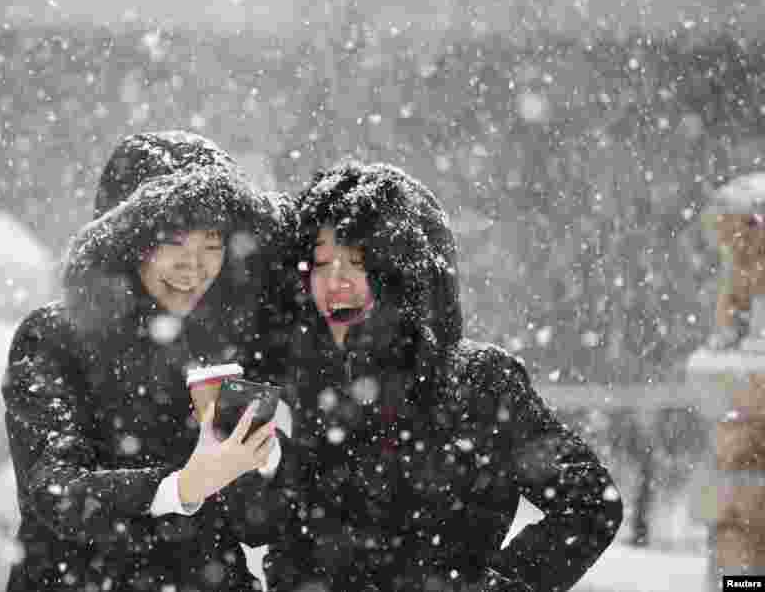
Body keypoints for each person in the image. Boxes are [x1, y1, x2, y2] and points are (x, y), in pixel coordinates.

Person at [260, 161, 623, 592]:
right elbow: (274, 534)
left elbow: (589, 504)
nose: (335, 280)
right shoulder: (300, 386)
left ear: (402, 271)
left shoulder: (479, 381)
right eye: (320, 263)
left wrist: (498, 586)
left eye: (357, 261)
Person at [2, 131, 284, 592]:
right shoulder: (53, 338)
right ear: (125, 242)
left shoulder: (225, 344)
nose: (195, 266)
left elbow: (259, 524)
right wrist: (181, 486)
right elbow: (56, 490)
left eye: (211, 244)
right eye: (175, 241)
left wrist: (262, 461)